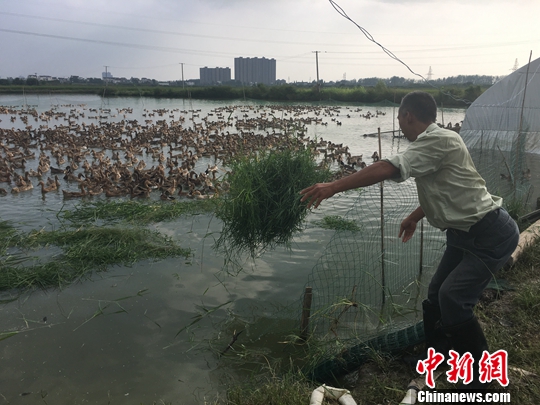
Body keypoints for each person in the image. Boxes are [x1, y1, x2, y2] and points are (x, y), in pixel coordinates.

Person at [300, 91, 520, 389]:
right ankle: (439, 356)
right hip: (463, 233)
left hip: (490, 233)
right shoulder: (435, 144)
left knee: (453, 298)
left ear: (407, 116)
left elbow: (387, 167)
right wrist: (415, 216)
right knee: (435, 293)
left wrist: (334, 186)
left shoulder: (439, 139)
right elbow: (447, 189)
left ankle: (483, 381)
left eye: (400, 118)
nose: (400, 124)